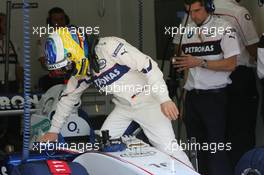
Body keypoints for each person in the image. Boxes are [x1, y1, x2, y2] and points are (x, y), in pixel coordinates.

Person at [39, 27, 193, 167]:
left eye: (67, 65)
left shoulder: (109, 46)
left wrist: (164, 99)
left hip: (149, 102)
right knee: (103, 149)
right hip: (123, 107)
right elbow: (68, 99)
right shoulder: (81, 71)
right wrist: (53, 130)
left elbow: (149, 66)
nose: (67, 70)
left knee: (170, 151)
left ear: (75, 52)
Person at [172, 0, 241, 174]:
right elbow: (184, 65)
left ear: (208, 7)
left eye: (197, 11)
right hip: (192, 97)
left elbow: (232, 64)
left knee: (215, 148)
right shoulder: (185, 27)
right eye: (189, 12)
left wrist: (201, 62)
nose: (193, 16)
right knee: (195, 148)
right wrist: (183, 97)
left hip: (215, 96)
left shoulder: (224, 27)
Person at [213, 0, 260, 170]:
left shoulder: (197, 12)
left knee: (216, 132)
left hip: (208, 79)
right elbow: (254, 49)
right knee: (241, 132)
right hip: (237, 77)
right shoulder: (238, 12)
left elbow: (179, 47)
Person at [0, 13, 23, 151]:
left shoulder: (13, 44)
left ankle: (13, 145)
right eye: (2, 23)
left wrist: (21, 86)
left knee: (13, 119)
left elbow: (19, 67)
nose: (5, 26)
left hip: (12, 86)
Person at [37, 7, 70, 92]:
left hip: (71, 77)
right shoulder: (44, 38)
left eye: (61, 19)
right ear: (50, 22)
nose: (59, 23)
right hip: (51, 79)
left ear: (66, 20)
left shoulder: (73, 36)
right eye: (56, 20)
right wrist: (55, 70)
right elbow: (42, 60)